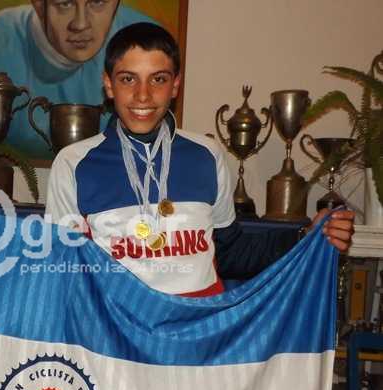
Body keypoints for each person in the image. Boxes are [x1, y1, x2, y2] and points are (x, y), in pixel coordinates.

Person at [45, 22, 355, 296]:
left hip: (196, 335)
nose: (143, 95)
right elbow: (62, 271)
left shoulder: (206, 154)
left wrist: (305, 237)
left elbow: (229, 251)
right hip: (114, 337)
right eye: (128, 79)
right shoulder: (74, 163)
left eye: (158, 79)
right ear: (108, 84)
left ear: (175, 85)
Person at [0, 0, 156, 160]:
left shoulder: (150, 43)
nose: (80, 24)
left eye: (97, 2)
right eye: (65, 4)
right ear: (38, 4)